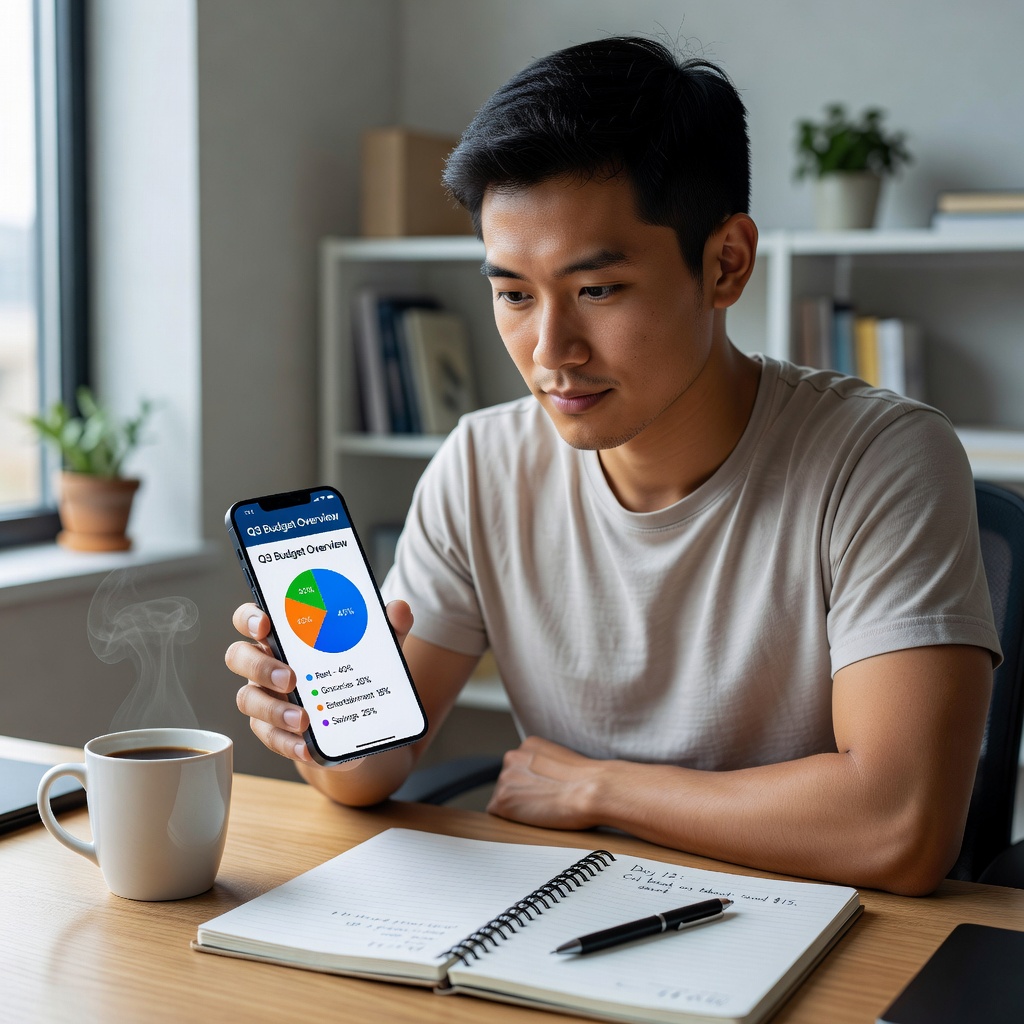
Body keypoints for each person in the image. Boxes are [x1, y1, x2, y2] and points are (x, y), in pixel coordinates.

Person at [226, 36, 999, 895]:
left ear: (726, 264)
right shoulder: (481, 464)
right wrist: (318, 725)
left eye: (596, 290)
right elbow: (375, 770)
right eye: (514, 294)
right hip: (567, 908)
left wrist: (600, 788)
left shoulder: (881, 459)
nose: (549, 351)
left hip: (824, 928)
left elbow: (899, 826)